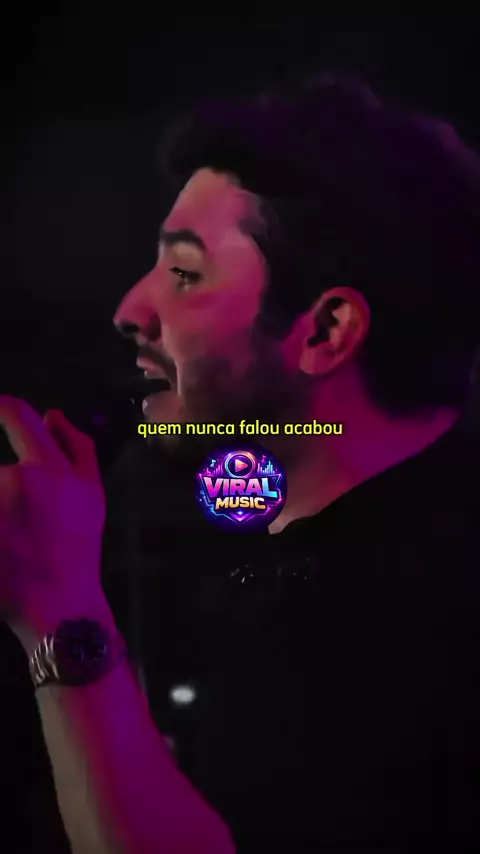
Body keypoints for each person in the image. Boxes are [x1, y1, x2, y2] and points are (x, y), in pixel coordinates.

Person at [1, 73, 479, 852]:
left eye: (184, 273)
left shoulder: (431, 619)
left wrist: (58, 607)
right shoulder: (311, 560)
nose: (129, 309)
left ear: (324, 331)